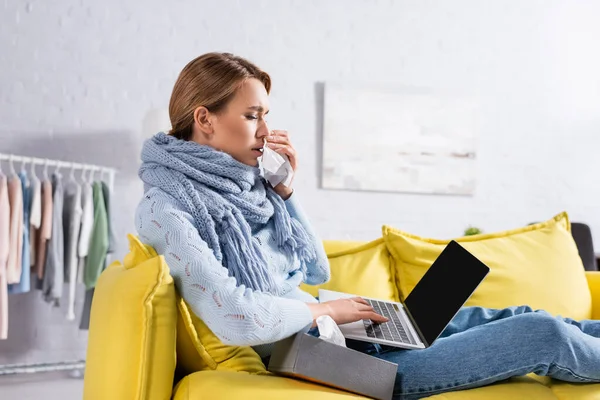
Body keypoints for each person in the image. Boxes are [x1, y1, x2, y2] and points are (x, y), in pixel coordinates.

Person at [135, 52, 600, 399]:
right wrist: (329, 313)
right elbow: (237, 317)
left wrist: (286, 194)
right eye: (252, 115)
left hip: (335, 331)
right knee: (543, 335)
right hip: (317, 356)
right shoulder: (166, 208)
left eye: (266, 116)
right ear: (204, 120)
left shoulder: (249, 186)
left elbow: (314, 270)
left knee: (516, 315)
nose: (265, 130)